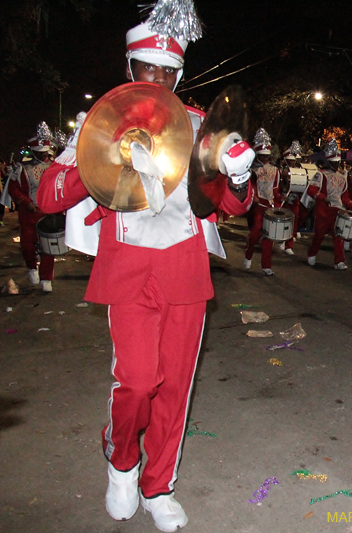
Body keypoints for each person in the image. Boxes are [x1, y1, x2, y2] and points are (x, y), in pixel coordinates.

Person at [38, 16, 255, 531]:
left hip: (184, 267)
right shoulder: (102, 119)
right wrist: (97, 159)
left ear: (179, 76)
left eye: (167, 71)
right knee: (137, 382)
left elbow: (229, 206)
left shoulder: (201, 126)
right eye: (146, 67)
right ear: (129, 66)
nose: (156, 80)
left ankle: (159, 486)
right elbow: (49, 193)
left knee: (175, 387)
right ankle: (121, 461)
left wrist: (240, 174)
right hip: (128, 268)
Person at [7, 125, 56, 292]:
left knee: (48, 246)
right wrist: (25, 201)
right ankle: (31, 266)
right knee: (28, 245)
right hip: (29, 212)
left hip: (48, 212)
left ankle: (46, 279)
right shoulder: (23, 167)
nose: (43, 154)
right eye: (40, 151)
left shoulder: (55, 167)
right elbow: (13, 188)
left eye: (45, 151)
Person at [306, 139, 352, 270]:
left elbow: (344, 195)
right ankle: (312, 253)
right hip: (323, 210)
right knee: (319, 235)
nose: (336, 164)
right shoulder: (320, 175)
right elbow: (311, 190)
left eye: (337, 162)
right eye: (333, 162)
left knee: (338, 236)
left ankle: (339, 261)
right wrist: (322, 197)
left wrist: (351, 204)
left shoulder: (342, 177)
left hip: (337, 210)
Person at [243, 129, 280, 276]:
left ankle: (266, 265)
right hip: (256, 206)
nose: (265, 159)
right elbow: (249, 187)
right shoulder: (251, 169)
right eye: (262, 156)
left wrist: (280, 197)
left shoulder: (275, 170)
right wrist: (254, 197)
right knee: (255, 233)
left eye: (267, 156)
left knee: (269, 236)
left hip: (269, 205)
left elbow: (275, 188)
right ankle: (248, 253)